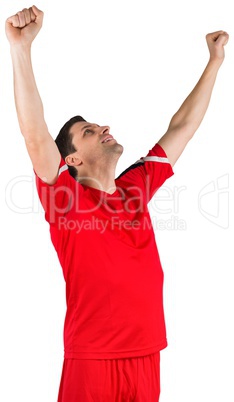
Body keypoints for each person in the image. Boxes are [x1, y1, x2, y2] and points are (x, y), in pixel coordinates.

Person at [5, 5, 229, 402]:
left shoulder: (137, 185)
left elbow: (182, 127)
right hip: (93, 359)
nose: (103, 127)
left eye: (98, 124)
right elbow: (35, 135)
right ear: (71, 160)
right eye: (89, 132)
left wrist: (214, 63)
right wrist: (20, 49)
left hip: (147, 355)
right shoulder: (66, 201)